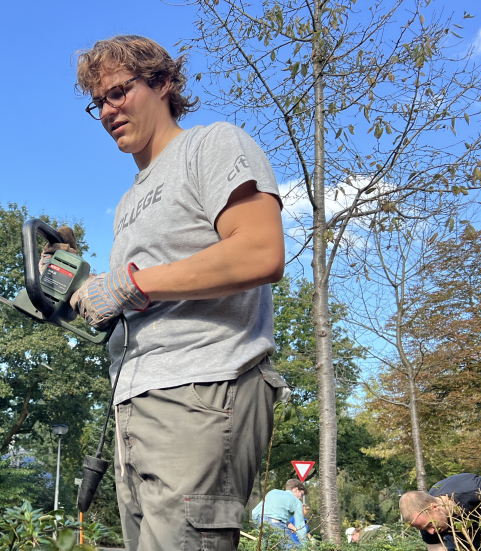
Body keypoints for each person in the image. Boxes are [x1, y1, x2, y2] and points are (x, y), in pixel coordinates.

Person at [70, 35, 287, 551]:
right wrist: (90, 296)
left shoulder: (212, 144)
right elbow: (147, 296)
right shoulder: (129, 201)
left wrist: (129, 284)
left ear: (164, 82)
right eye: (97, 102)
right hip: (134, 404)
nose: (107, 110)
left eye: (119, 92)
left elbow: (261, 252)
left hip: (203, 390)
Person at [399, 473, 481, 551]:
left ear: (434, 507)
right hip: (468, 528)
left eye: (430, 525)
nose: (431, 532)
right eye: (424, 529)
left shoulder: (472, 490)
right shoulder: (425, 523)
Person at [251, 479, 309, 547]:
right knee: (293, 548)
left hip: (261, 523)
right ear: (295, 489)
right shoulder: (296, 501)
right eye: (301, 494)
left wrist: (259, 526)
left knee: (267, 547)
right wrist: (305, 546)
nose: (301, 498)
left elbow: (254, 512)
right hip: (276, 524)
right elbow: (300, 527)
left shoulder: (273, 492)